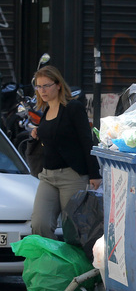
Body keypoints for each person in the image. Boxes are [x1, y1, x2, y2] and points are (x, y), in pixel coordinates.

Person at [30, 65, 101, 239]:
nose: (42, 91)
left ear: (58, 84)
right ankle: (49, 263)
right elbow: (53, 136)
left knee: (73, 229)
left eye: (46, 85)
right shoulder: (46, 110)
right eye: (39, 87)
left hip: (71, 176)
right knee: (40, 224)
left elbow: (87, 140)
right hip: (47, 176)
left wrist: (94, 174)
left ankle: (73, 265)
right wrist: (37, 134)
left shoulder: (73, 108)